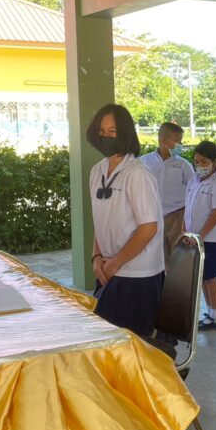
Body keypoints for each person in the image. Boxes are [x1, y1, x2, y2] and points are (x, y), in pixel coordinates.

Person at [87, 104, 165, 339]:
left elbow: (148, 228)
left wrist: (115, 263)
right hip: (108, 270)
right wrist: (96, 257)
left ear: (125, 134)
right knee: (107, 343)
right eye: (101, 131)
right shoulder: (97, 171)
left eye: (112, 131)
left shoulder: (137, 174)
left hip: (137, 276)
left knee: (131, 346)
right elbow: (101, 220)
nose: (106, 137)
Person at [185, 141, 216, 330]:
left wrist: (200, 235)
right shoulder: (193, 181)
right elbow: (187, 208)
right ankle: (210, 312)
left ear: (215, 162)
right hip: (195, 238)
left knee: (210, 277)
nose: (200, 166)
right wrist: (185, 231)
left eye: (204, 162)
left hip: (209, 239)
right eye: (196, 162)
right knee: (203, 277)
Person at [141, 122, 193, 262]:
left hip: (177, 216)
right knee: (155, 256)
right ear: (163, 140)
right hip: (151, 216)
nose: (180, 145)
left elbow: (193, 191)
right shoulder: (144, 163)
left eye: (181, 141)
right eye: (177, 141)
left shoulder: (183, 165)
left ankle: (176, 277)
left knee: (177, 256)